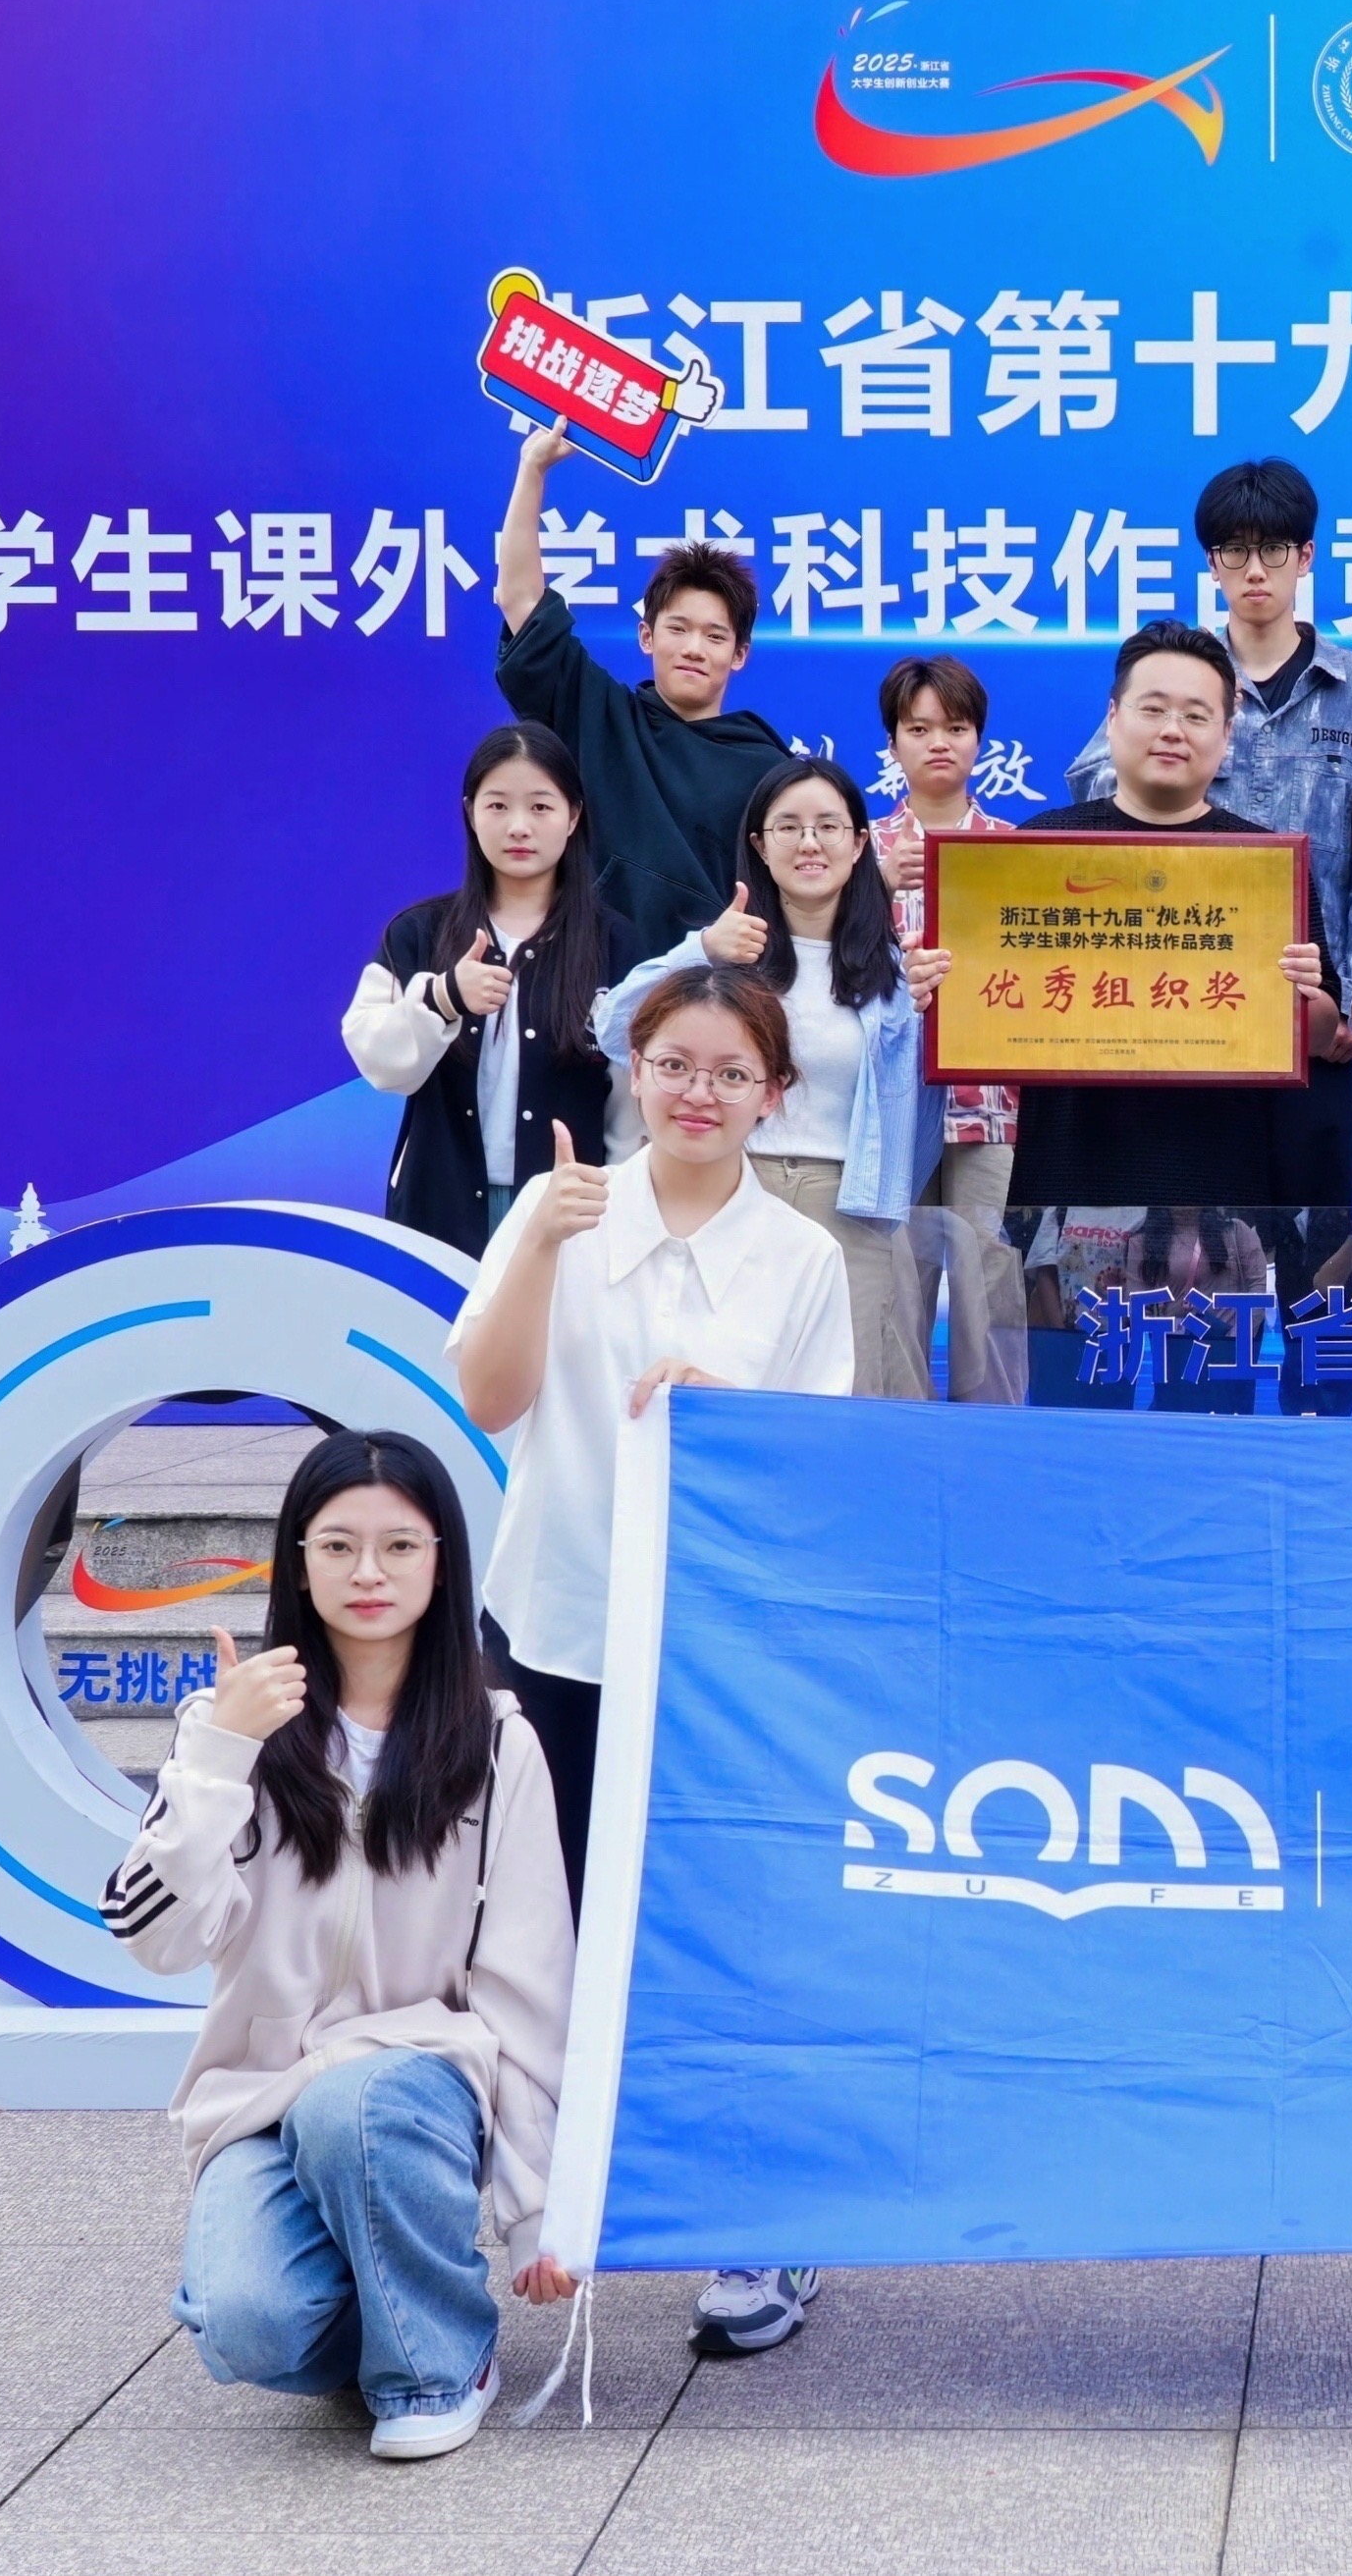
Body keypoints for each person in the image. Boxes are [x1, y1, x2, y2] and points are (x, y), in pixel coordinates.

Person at [453, 958, 851, 2361]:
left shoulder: (800, 1259)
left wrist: (724, 1410)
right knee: (538, 1930)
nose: (698, 1093)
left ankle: (758, 2220)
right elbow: (487, 1397)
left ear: (775, 1096)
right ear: (634, 1069)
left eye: (731, 1073)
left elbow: (818, 1475)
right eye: (674, 1064)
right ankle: (542, 2204)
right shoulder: (558, 1210)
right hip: (556, 1629)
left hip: (716, 1655)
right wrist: (541, 1248)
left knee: (729, 1932)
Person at [110, 1429, 576, 2461]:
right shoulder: (226, 1727)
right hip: (264, 2098)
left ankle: (440, 2366)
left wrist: (536, 2206)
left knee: (353, 2104)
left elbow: (531, 1978)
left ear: (443, 1564)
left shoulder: (498, 1742)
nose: (369, 1572)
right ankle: (397, 2301)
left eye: (400, 1546)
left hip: (420, 2084)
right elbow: (156, 1939)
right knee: (247, 2327)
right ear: (298, 1562)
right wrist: (222, 1756)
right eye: (337, 1546)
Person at [1070, 457, 1352, 1213]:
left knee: (1309, 1249)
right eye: (1234, 550)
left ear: (1306, 556)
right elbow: (1096, 792)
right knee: (1176, 1241)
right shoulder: (1177, 675)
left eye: (1274, 549)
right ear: (1212, 563)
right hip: (1177, 1006)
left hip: (1308, 1018)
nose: (1255, 570)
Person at [595, 760, 953, 1400]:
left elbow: (921, 1123)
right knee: (720, 1380)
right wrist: (701, 949)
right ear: (759, 846)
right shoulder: (728, 955)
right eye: (788, 827)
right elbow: (615, 1029)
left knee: (846, 1396)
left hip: (851, 1206)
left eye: (827, 827)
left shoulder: (900, 975)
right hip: (731, 1189)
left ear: (859, 844)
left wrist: (930, 1017)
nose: (809, 843)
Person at [1001, 622, 1336, 1212]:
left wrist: (1301, 997)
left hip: (1220, 1186)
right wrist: (944, 986)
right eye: (1153, 709)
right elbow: (990, 1009)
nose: (1172, 730)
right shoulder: (1038, 848)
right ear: (1113, 718)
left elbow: (1321, 1034)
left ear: (1226, 735)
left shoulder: (1267, 863)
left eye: (1197, 715)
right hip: (1065, 1178)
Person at [493, 418, 791, 954]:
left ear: (739, 654)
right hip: (590, 976)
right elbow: (519, 601)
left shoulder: (769, 768)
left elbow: (800, 896)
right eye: (678, 629)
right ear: (646, 636)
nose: (694, 648)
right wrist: (531, 470)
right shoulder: (600, 715)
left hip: (716, 991)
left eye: (715, 636)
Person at [344, 723, 635, 1259]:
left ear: (573, 816)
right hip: (438, 1208)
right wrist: (444, 998)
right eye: (497, 806)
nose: (519, 826)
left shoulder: (617, 944)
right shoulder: (417, 934)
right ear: (470, 813)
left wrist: (618, 1199)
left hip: (569, 1214)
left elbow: (631, 1097)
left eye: (541, 807)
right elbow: (381, 1065)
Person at [870, 657, 1023, 1401]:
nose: (939, 743)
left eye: (956, 728)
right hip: (893, 1097)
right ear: (892, 743)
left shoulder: (1016, 847)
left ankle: (993, 1432)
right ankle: (899, 1429)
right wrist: (873, 888)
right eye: (919, 728)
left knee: (987, 1264)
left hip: (990, 1096)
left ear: (979, 741)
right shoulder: (858, 849)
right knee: (896, 1267)